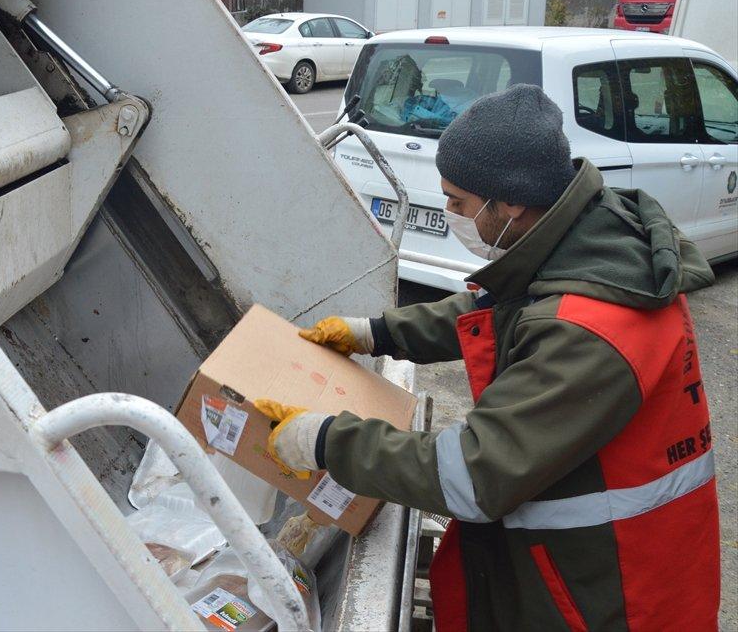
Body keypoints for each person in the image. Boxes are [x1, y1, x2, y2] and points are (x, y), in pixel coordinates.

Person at [260, 84, 720, 631]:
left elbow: (475, 475)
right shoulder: (584, 235)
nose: (450, 212)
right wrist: (374, 333)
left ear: (512, 202)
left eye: (459, 201)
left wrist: (324, 440)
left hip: (611, 594)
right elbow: (497, 307)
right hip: (592, 563)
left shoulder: (591, 333)